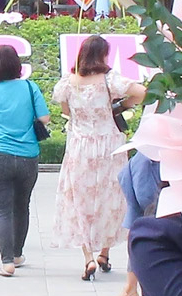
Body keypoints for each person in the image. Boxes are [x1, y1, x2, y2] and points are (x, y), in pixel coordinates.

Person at [53, 34, 144, 280]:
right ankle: (104, 252)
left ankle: (88, 258)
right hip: (109, 146)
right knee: (110, 199)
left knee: (79, 200)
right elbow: (142, 93)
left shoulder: (68, 82)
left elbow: (66, 111)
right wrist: (121, 106)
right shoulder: (109, 79)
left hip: (80, 147)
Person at [0, 43, 49, 276]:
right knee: (22, 206)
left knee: (1, 210)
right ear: (17, 65)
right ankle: (17, 254)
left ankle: (6, 262)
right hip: (27, 157)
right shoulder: (30, 88)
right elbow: (45, 118)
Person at [105, 147, 162, 296]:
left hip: (156, 156)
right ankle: (134, 289)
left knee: (145, 223)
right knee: (144, 223)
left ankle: (133, 290)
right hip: (155, 155)